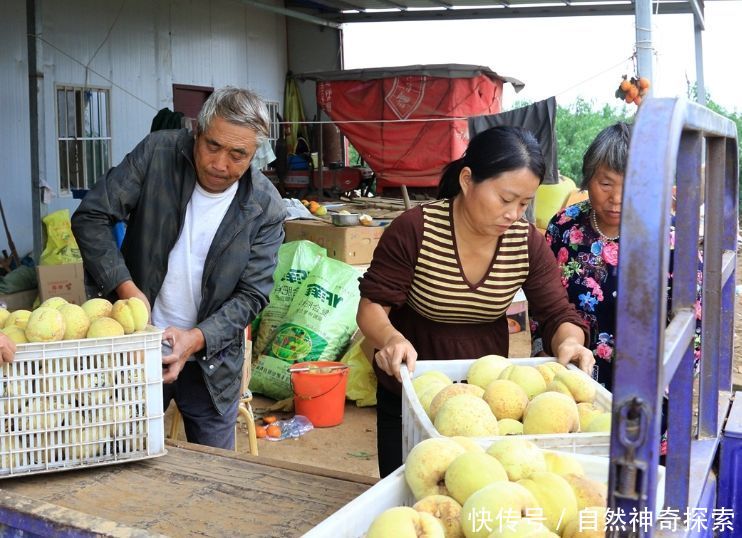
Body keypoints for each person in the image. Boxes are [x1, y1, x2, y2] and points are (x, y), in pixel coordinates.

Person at [357, 126, 594, 477]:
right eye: (505, 199)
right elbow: (372, 307)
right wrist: (391, 340)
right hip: (412, 393)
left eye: (524, 203)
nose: (514, 214)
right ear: (467, 180)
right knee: (411, 492)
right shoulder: (415, 229)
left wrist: (571, 342)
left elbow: (557, 312)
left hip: (485, 399)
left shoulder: (525, 242)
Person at [72, 87, 286, 450]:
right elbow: (91, 216)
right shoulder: (158, 153)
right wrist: (127, 290)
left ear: (256, 155)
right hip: (135, 343)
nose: (220, 165)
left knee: (212, 477)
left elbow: (252, 294)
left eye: (238, 155)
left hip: (211, 361)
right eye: (213, 146)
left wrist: (195, 339)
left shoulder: (265, 207)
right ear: (196, 132)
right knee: (121, 457)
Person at [535, 122, 702, 457]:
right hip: (573, 382)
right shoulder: (564, 227)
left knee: (637, 488)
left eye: (632, 185)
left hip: (644, 391)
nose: (616, 198)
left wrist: (662, 385)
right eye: (605, 183)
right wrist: (546, 362)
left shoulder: (671, 240)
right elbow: (544, 303)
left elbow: (693, 325)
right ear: (588, 179)